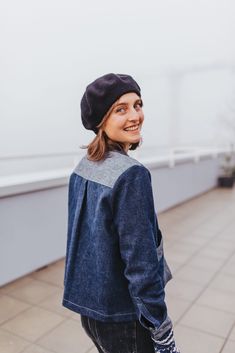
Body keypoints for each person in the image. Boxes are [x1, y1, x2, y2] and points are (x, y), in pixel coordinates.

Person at [62, 73, 180, 353]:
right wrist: (161, 329)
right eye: (121, 109)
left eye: (137, 105)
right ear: (101, 120)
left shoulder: (84, 166)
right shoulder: (132, 175)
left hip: (91, 314)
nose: (135, 116)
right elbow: (141, 263)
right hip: (125, 318)